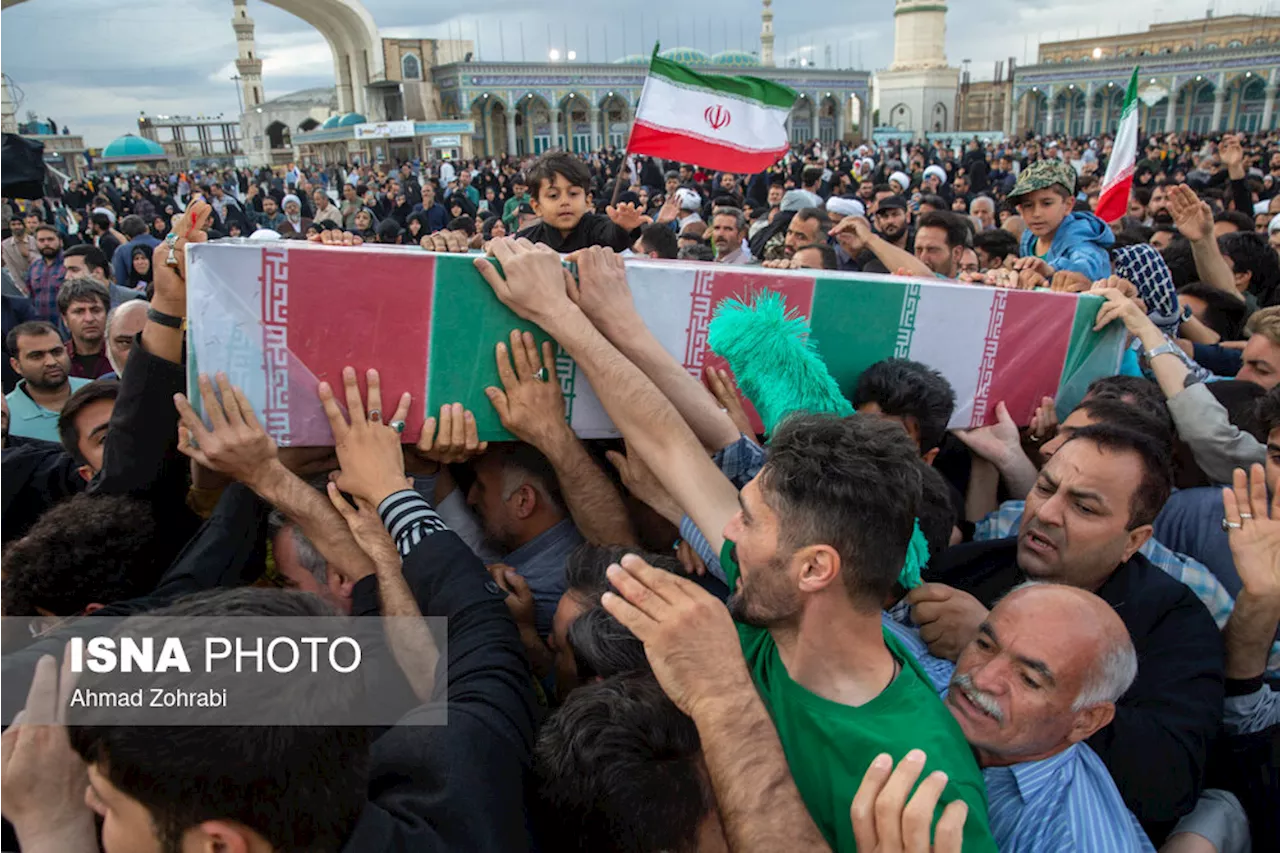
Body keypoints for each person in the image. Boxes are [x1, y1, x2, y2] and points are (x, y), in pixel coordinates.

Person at [472, 241, 997, 852]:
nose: (723, 529)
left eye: (747, 520)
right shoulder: (783, 596)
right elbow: (669, 444)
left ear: (815, 568)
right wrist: (564, 316)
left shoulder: (922, 784)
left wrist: (722, 692)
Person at [918, 424, 1224, 839]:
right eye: (1045, 488)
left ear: (1134, 539)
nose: (1045, 513)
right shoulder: (964, 568)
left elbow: (1169, 782)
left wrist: (992, 648)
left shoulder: (1178, 626)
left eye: (1084, 507)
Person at [939, 582, 1156, 852]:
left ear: (1086, 720)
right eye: (984, 645)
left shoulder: (1070, 840)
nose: (982, 678)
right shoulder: (912, 675)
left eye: (1028, 680)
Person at [1007, 159, 1114, 281]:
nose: (1036, 214)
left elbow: (1088, 265)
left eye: (1046, 203)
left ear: (1068, 205)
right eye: (1028, 205)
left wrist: (1052, 269)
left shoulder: (1079, 236)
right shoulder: (1029, 238)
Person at [516, 153, 645, 253]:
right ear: (536, 206)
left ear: (588, 201)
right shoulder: (524, 242)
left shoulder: (597, 229)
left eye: (573, 194)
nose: (565, 202)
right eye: (553, 196)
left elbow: (613, 237)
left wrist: (622, 227)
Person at [4, 320, 91, 442]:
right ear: (16, 365)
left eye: (57, 352)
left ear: (66, 351)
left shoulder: (97, 394)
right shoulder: (5, 414)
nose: (51, 362)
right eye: (37, 356)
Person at [57, 277, 113, 379]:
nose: (89, 319)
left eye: (96, 310)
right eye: (79, 312)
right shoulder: (57, 360)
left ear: (107, 314)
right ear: (65, 319)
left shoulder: (122, 355)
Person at [23, 224, 65, 327]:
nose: (46, 243)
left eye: (50, 239)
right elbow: (31, 298)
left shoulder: (70, 264)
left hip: (65, 326)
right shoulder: (34, 267)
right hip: (41, 326)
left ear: (60, 241)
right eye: (41, 240)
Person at [108, 215, 159, 288]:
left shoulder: (121, 251)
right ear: (146, 228)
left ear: (127, 236)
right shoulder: (162, 245)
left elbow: (119, 280)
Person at [102, 298, 149, 379]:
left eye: (145, 343)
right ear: (107, 346)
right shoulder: (100, 389)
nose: (134, 353)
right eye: (125, 343)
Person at [1, 215, 36, 289]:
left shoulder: (34, 241)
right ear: (10, 227)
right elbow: (11, 267)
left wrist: (28, 254)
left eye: (19, 224)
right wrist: (23, 287)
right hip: (19, 281)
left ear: (24, 225)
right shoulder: (6, 244)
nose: (16, 227)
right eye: (13, 225)